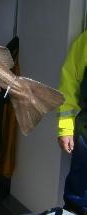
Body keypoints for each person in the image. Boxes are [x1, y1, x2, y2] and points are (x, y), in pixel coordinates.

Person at [57, 31, 87, 215]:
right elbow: (68, 88)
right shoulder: (85, 41)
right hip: (85, 134)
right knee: (78, 199)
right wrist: (65, 129)